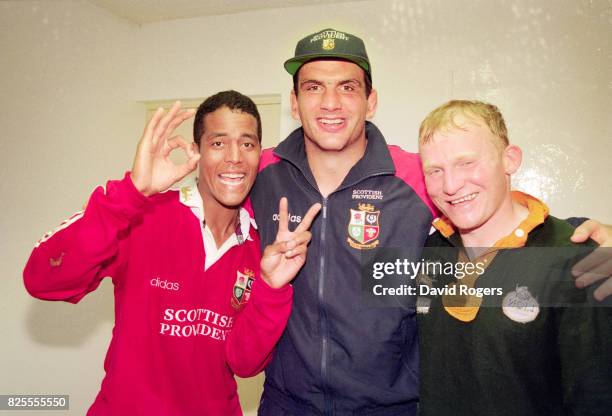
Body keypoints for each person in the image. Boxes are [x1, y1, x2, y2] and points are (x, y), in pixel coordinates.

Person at [250, 28, 612, 415]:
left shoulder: (414, 175)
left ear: (371, 101)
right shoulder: (260, 171)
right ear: (294, 101)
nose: (331, 102)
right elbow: (209, 213)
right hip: (287, 405)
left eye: (348, 87)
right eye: (313, 87)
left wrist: (584, 233)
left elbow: (493, 207)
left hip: (391, 408)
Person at [23, 91, 321, 416]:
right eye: (218, 143)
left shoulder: (259, 249)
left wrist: (271, 288)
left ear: (259, 155)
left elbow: (244, 363)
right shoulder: (140, 214)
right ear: (195, 152)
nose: (235, 157)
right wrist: (130, 193)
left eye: (247, 144)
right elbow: (43, 279)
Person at [416, 99, 612, 415]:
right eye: (435, 170)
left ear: (510, 159)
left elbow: (596, 397)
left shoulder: (578, 260)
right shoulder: (430, 251)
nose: (451, 185)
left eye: (467, 163)